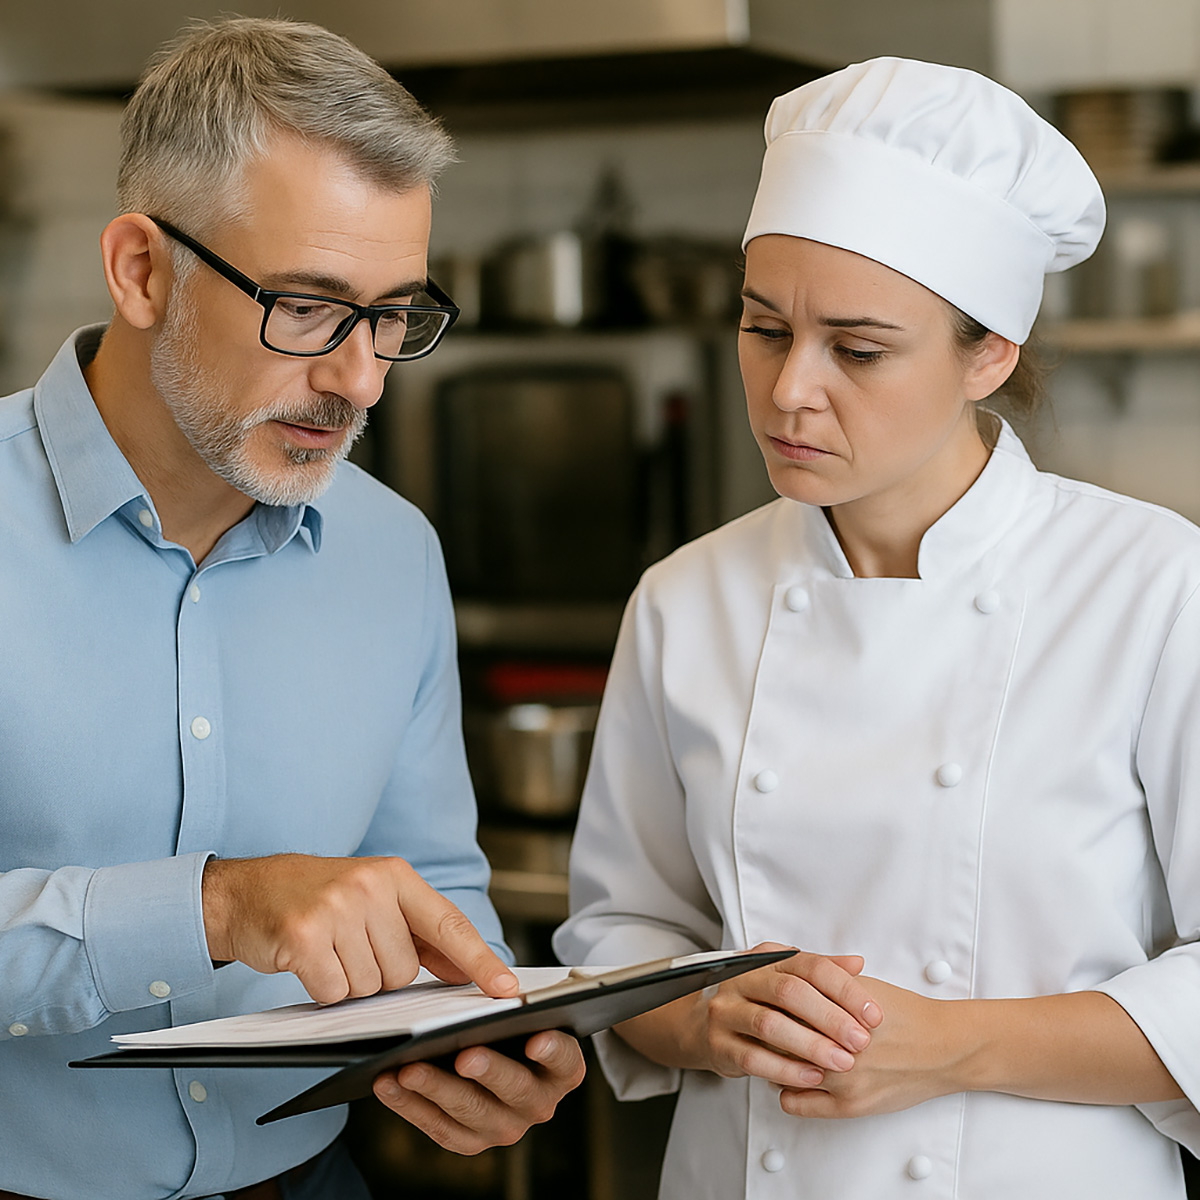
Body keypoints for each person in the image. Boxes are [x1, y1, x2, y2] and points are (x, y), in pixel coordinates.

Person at [554, 56, 1200, 1199]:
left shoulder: (1151, 588)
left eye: (857, 350)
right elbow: (620, 946)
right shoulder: (684, 600)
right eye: (763, 331)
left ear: (988, 354)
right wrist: (707, 1019)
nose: (791, 389)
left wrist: (943, 1045)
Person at [0, 17, 584, 1200]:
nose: (361, 378)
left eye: (393, 316)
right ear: (141, 270)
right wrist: (215, 907)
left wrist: (474, 1032)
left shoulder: (393, 553)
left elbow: (433, 886)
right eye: (309, 308)